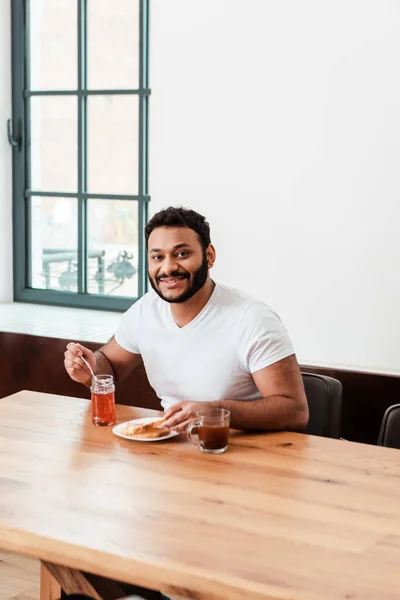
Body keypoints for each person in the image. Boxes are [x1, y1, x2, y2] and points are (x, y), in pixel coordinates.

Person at [64, 206, 308, 433]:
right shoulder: (145, 310)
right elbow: (110, 365)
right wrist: (90, 368)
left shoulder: (252, 319)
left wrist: (215, 412)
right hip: (172, 450)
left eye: (181, 254)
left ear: (209, 256)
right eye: (157, 257)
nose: (168, 268)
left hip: (242, 452)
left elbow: (295, 411)